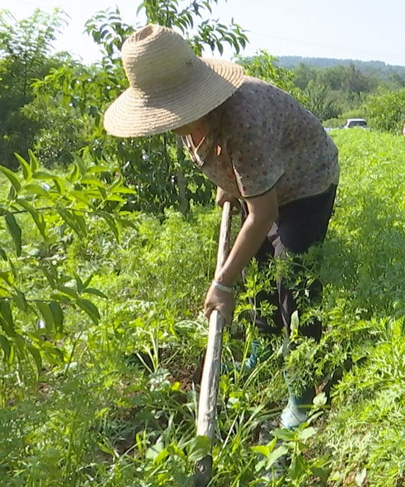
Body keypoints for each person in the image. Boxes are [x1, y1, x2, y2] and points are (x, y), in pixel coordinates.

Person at [103, 24, 339, 429]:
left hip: (305, 181)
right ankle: (264, 345)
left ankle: (302, 392)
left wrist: (223, 283)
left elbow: (262, 213)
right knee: (261, 265)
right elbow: (223, 161)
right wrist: (231, 184)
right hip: (267, 183)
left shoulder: (241, 118)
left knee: (292, 277)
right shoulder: (187, 116)